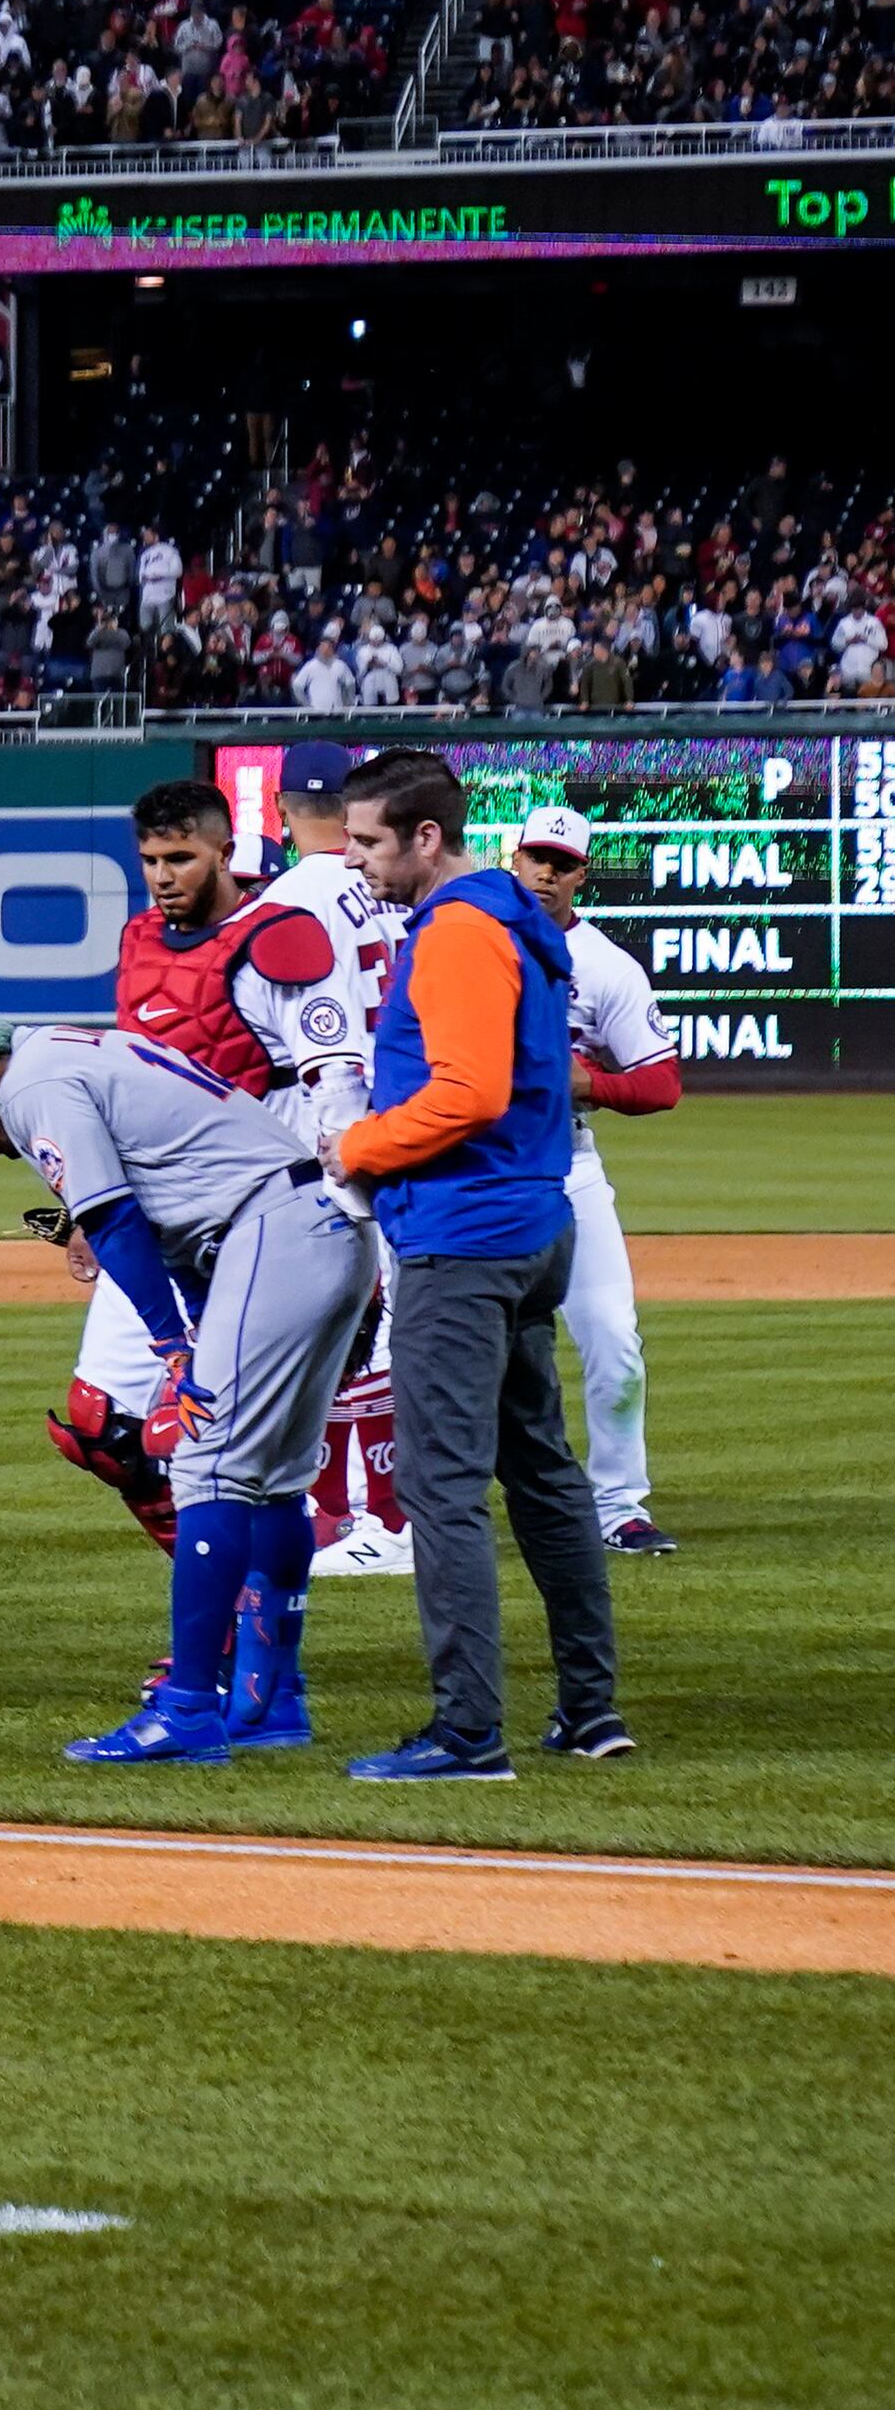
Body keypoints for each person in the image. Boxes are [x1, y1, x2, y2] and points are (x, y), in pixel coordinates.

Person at [0, 1002, 377, 1764]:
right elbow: (177, 1201)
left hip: (271, 1236)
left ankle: (186, 1709)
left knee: (206, 1470)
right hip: (317, 1228)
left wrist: (174, 1350)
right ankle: (274, 1699)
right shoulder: (74, 1050)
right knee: (275, 1480)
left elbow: (112, 1221)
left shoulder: (29, 1087)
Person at [325, 749, 626, 1780]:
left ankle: (466, 1733)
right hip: (531, 1221)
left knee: (437, 1487)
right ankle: (589, 1711)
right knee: (540, 1472)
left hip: (465, 1233)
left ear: (423, 836)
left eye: (367, 839)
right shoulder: (516, 918)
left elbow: (465, 1093)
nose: (353, 857)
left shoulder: (455, 928)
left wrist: (354, 1149)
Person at [47, 775, 365, 1551]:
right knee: (100, 1430)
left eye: (181, 858)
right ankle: (219, 1622)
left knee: (213, 1444)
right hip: (162, 1214)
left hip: (266, 1215)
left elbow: (337, 1084)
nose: (163, 876)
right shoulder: (138, 942)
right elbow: (122, 1086)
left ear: (225, 850)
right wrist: (88, 1212)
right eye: (150, 859)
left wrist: (352, 1219)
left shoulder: (281, 937)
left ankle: (249, 1627)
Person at [254, 740, 416, 1575]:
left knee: (344, 1322)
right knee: (377, 1322)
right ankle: (363, 1513)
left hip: (325, 1112)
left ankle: (375, 1519)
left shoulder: (285, 901)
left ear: (279, 810)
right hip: (409, 1113)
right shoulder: (399, 886)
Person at [502, 807, 683, 1555]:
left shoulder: (606, 966)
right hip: (468, 1173)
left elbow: (661, 1083)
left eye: (561, 863)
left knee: (613, 1340)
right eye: (535, 857)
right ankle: (396, 1509)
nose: (546, 873)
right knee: (430, 1353)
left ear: (582, 874)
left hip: (567, 1170)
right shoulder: (466, 935)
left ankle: (618, 1505)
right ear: (511, 859)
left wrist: (589, 1085)